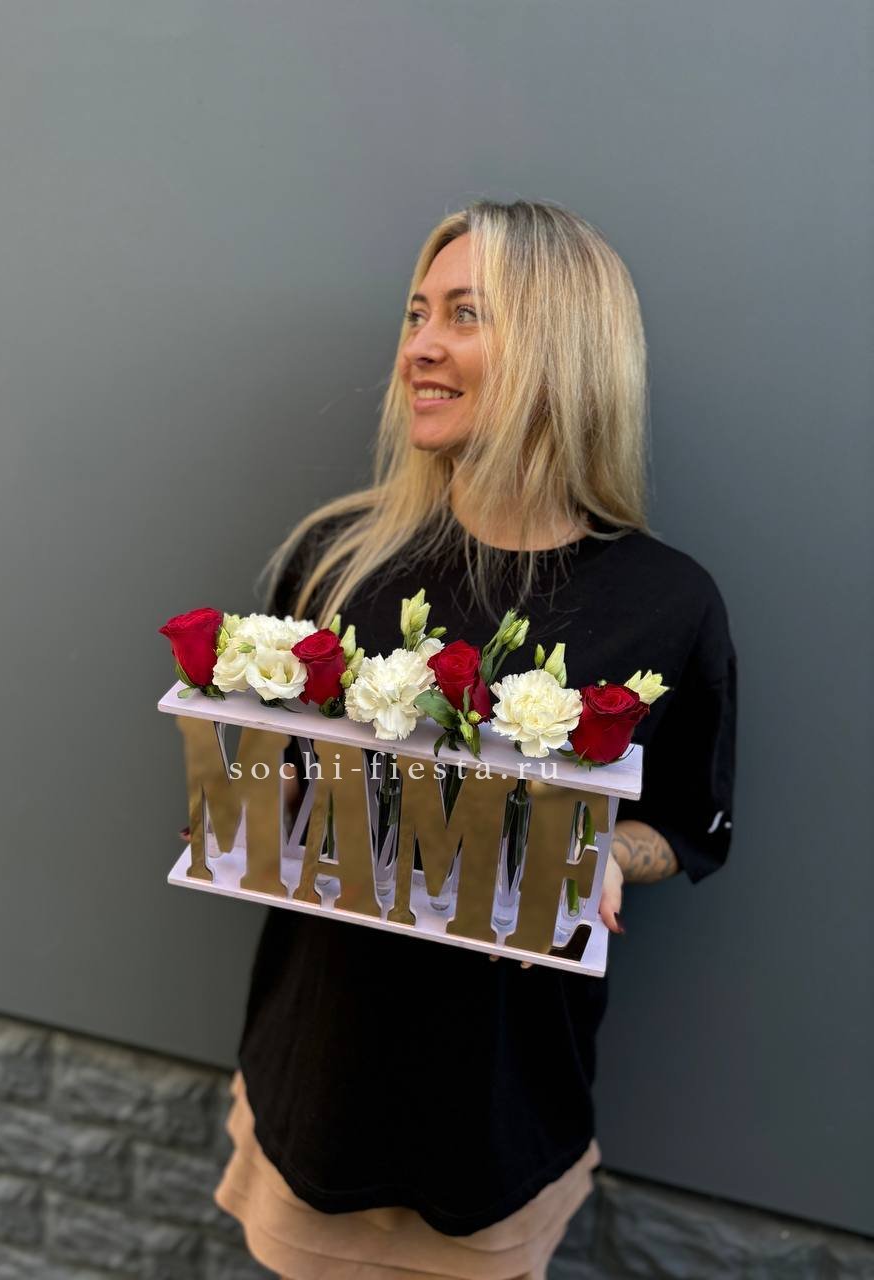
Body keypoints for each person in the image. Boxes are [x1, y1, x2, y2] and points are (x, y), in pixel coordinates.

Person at [212, 199, 738, 1279]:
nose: (420, 345)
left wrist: (609, 855)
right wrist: (251, 796)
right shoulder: (339, 557)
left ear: (561, 347)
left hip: (500, 1120)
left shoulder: (667, 603)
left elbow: (688, 821)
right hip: (316, 1090)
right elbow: (276, 784)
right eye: (417, 313)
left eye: (464, 313)